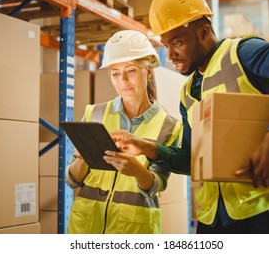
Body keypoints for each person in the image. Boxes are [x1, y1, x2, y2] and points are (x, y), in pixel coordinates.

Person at [110, 0, 269, 234]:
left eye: (177, 42)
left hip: (266, 214)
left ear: (203, 32)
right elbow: (193, 160)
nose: (170, 54)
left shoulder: (242, 53)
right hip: (214, 219)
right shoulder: (188, 91)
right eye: (166, 45)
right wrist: (148, 147)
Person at [64, 30, 182, 234]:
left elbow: (156, 185)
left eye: (131, 70)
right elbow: (71, 179)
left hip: (131, 230)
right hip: (86, 227)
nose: (123, 80)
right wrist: (83, 159)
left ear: (149, 71)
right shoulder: (95, 113)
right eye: (115, 73)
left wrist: (136, 170)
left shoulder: (168, 126)